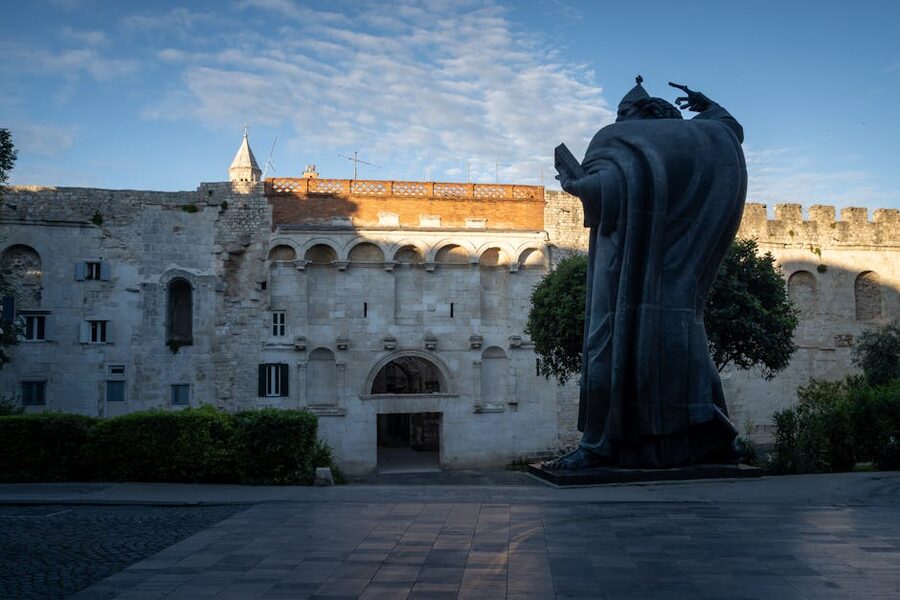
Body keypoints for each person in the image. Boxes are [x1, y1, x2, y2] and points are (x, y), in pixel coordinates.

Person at [553, 76, 747, 469]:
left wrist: (578, 185)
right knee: (684, 345)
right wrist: (709, 106)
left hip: (627, 270)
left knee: (608, 344)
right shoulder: (706, 140)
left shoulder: (625, 139)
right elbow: (731, 130)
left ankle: (600, 445)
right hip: (679, 276)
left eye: (623, 113)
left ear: (640, 113)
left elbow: (613, 190)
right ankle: (709, 438)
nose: (619, 120)